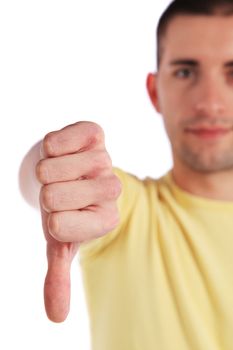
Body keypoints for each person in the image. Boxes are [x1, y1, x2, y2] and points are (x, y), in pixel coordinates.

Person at [36, 0, 233, 348]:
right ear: (156, 92)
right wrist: (53, 172)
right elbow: (96, 196)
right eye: (186, 72)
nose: (210, 102)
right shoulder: (125, 213)